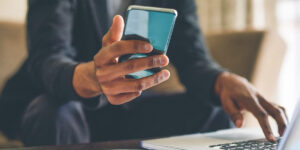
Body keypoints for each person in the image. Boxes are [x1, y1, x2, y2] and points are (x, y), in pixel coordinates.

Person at [0, 0, 288, 146]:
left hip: (125, 111)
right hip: (58, 100)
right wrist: (93, 78)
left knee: (213, 111)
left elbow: (193, 59)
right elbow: (47, 57)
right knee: (54, 111)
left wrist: (223, 79)